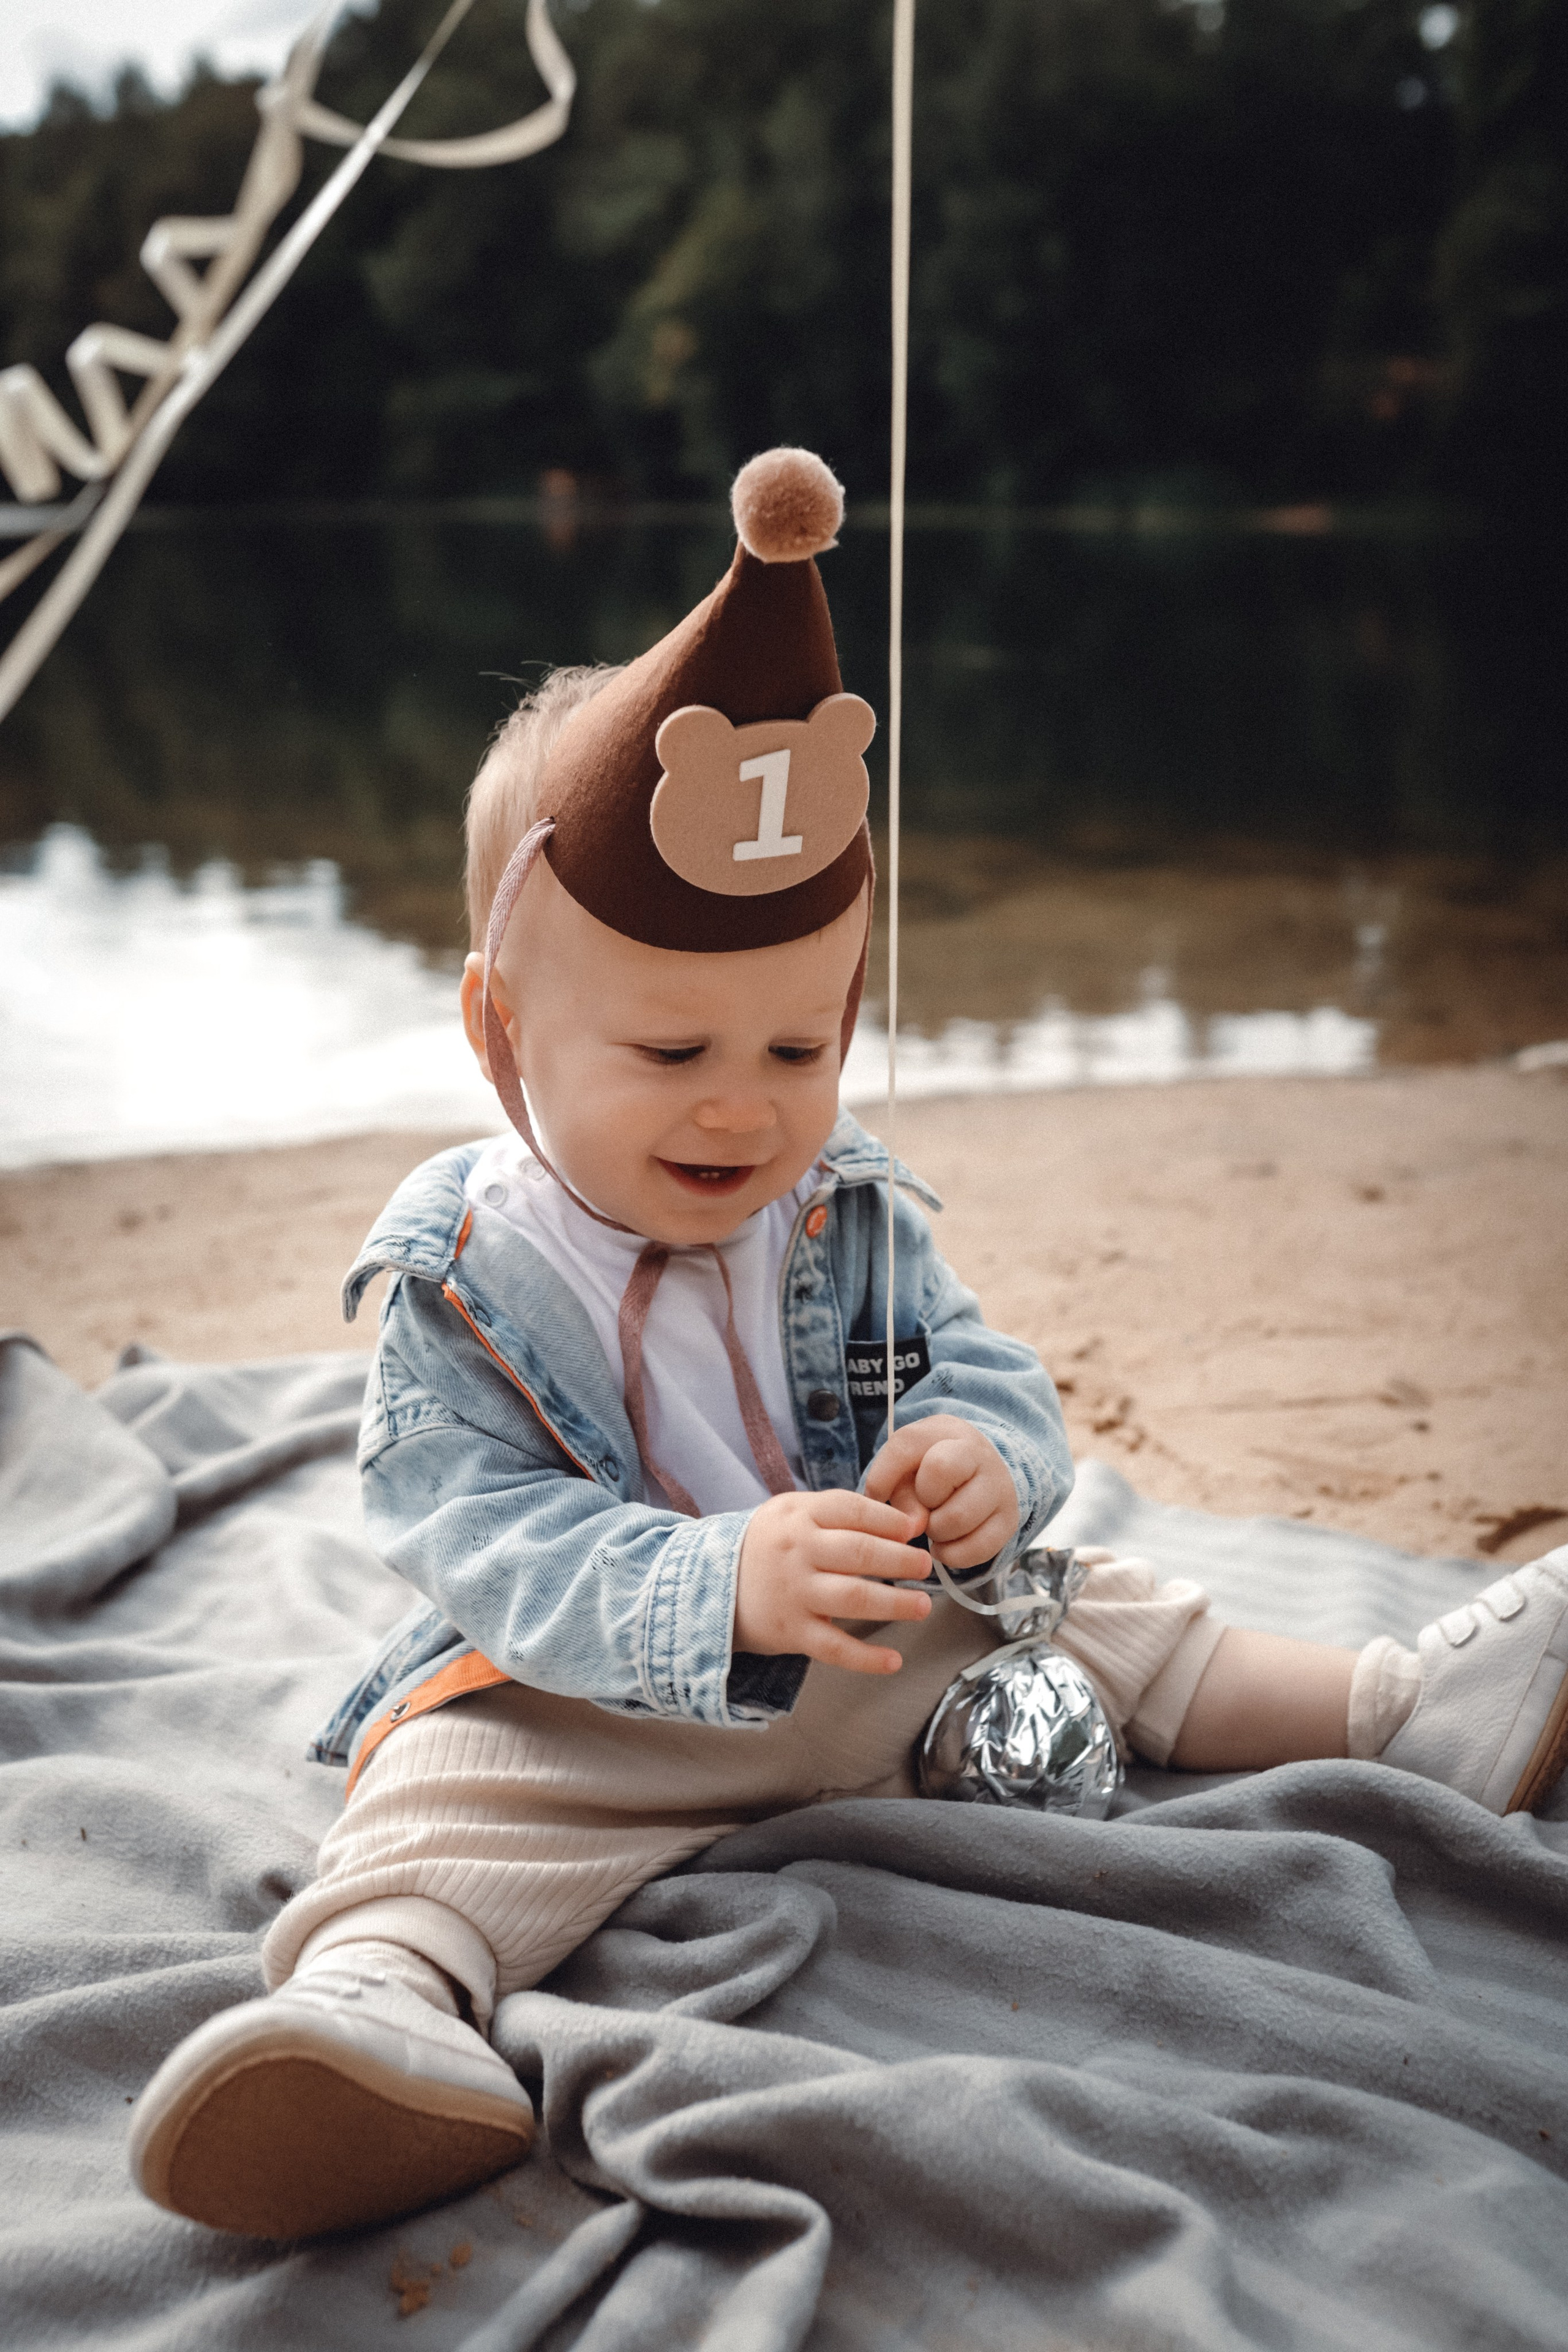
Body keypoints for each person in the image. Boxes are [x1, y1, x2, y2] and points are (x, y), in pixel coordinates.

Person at [129, 448, 1568, 2243]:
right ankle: (374, 2020)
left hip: (890, 1643)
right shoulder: (471, 1275)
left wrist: (982, 1463)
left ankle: (1400, 1716)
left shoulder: (841, 1207)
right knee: (440, 1791)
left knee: (1105, 1603)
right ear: (504, 1039)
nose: (746, 1109)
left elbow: (982, 1372)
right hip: (614, 1711)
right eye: (671, 1056)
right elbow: (468, 1535)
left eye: (800, 1051)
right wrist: (713, 1579)